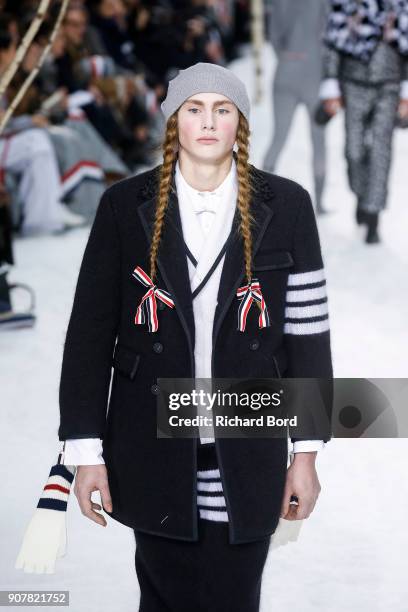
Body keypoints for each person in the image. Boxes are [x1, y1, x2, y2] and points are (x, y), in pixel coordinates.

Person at [58, 62, 333, 611]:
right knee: (163, 598)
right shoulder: (124, 207)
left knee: (235, 596)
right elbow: (89, 335)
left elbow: (307, 332)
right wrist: (85, 452)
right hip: (150, 444)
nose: (208, 122)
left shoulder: (287, 205)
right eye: (194, 109)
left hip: (248, 441)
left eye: (222, 109)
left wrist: (306, 453)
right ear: (173, 123)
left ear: (240, 124)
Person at [319, 0, 408, 244]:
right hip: (353, 82)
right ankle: (362, 194)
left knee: (381, 151)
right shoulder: (346, 4)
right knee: (353, 150)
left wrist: (405, 92)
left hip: (389, 83)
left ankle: (373, 214)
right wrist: (330, 84)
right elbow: (332, 43)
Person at [262, 0, 329, 215]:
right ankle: (319, 203)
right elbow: (328, 34)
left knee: (278, 137)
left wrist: (287, 57)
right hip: (314, 73)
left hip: (286, 71)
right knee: (319, 139)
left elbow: (273, 37)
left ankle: (259, 197)